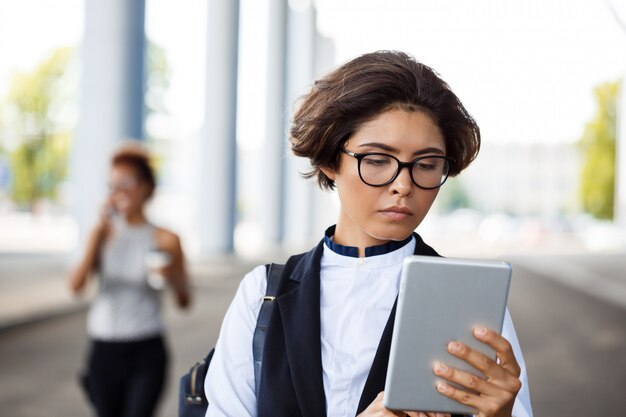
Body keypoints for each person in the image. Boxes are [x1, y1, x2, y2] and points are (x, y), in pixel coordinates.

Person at [204, 51, 533, 417]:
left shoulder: (470, 300)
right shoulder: (263, 294)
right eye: (377, 160)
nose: (404, 185)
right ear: (330, 161)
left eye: (426, 165)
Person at [69, 143, 191, 417]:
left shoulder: (167, 239)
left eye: (126, 182)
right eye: (112, 185)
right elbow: (75, 287)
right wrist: (97, 234)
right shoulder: (102, 233)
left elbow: (184, 301)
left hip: (147, 350)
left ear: (146, 186)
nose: (118, 191)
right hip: (103, 350)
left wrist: (171, 278)